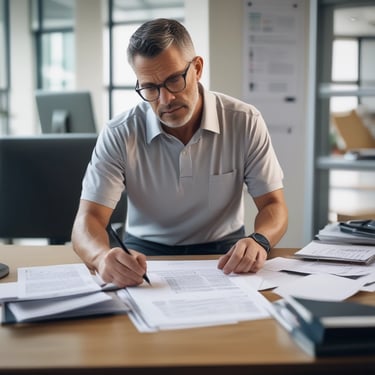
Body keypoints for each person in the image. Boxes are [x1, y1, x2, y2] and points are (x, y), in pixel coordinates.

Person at [71, 18, 288, 288]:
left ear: (197, 68)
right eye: (150, 87)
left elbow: (273, 205)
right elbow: (87, 218)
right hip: (142, 252)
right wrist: (101, 257)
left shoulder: (244, 120)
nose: (166, 100)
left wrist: (260, 241)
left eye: (174, 79)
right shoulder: (120, 132)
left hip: (226, 251)